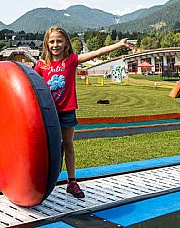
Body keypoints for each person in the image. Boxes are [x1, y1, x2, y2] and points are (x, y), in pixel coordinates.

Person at [34, 27, 132, 198]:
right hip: (48, 113)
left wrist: (119, 44)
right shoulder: (42, 64)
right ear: (46, 43)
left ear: (66, 43)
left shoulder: (71, 60)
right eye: (52, 41)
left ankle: (72, 182)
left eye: (59, 41)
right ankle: (45, 179)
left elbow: (97, 52)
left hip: (67, 111)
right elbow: (30, 83)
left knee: (68, 145)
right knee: (49, 147)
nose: (55, 45)